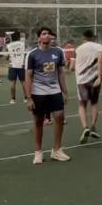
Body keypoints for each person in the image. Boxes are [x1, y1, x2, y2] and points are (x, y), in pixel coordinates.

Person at [25, 27, 70, 164]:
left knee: (59, 117)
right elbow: (28, 76)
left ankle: (57, 150)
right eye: (44, 34)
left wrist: (64, 92)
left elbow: (61, 73)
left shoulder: (58, 52)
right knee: (38, 121)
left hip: (55, 91)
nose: (47, 36)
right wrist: (29, 98)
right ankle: (38, 152)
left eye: (48, 34)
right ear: (39, 38)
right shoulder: (32, 54)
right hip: (38, 92)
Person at [74, 29, 102, 144]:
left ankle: (85, 127)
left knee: (82, 104)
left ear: (83, 37)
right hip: (94, 79)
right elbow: (100, 61)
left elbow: (73, 65)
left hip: (81, 80)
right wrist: (100, 77)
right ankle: (93, 126)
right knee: (94, 103)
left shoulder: (78, 49)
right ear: (93, 37)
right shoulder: (99, 47)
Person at [6, 30, 27, 104]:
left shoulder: (9, 45)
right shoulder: (23, 44)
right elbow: (26, 54)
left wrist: (9, 56)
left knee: (12, 83)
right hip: (21, 65)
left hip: (12, 66)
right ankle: (26, 98)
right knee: (23, 82)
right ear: (18, 37)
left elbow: (7, 57)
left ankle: (13, 99)